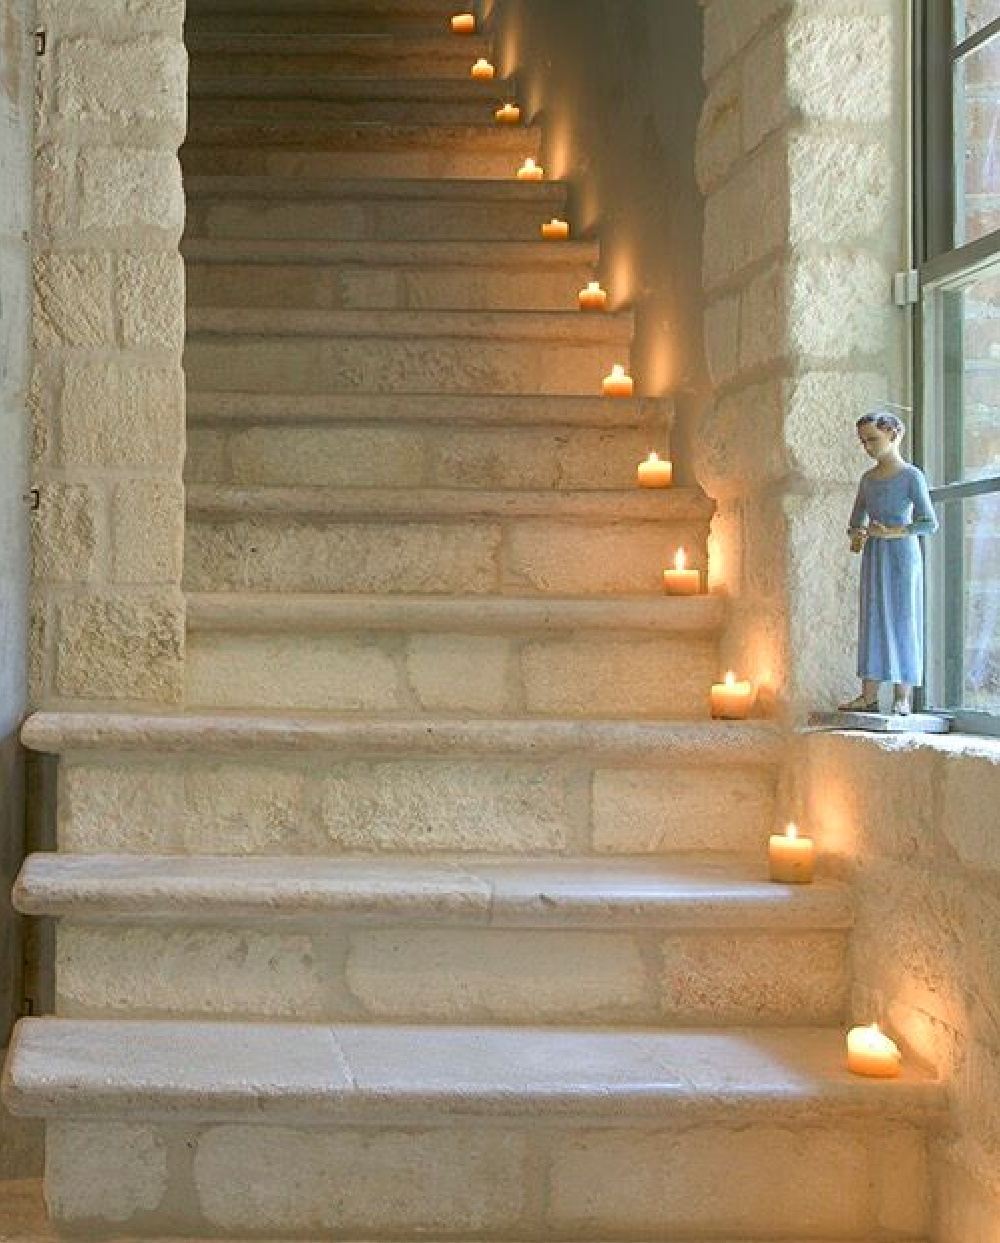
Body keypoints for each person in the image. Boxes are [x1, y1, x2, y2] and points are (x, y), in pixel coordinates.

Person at [840, 410, 939, 715]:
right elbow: (856, 520)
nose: (868, 447)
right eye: (863, 441)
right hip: (875, 557)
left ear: (893, 435)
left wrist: (894, 532)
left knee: (903, 618)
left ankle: (903, 694)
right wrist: (858, 535)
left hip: (901, 556)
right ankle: (868, 694)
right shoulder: (867, 479)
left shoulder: (911, 476)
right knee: (872, 620)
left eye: (872, 439)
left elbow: (928, 522)